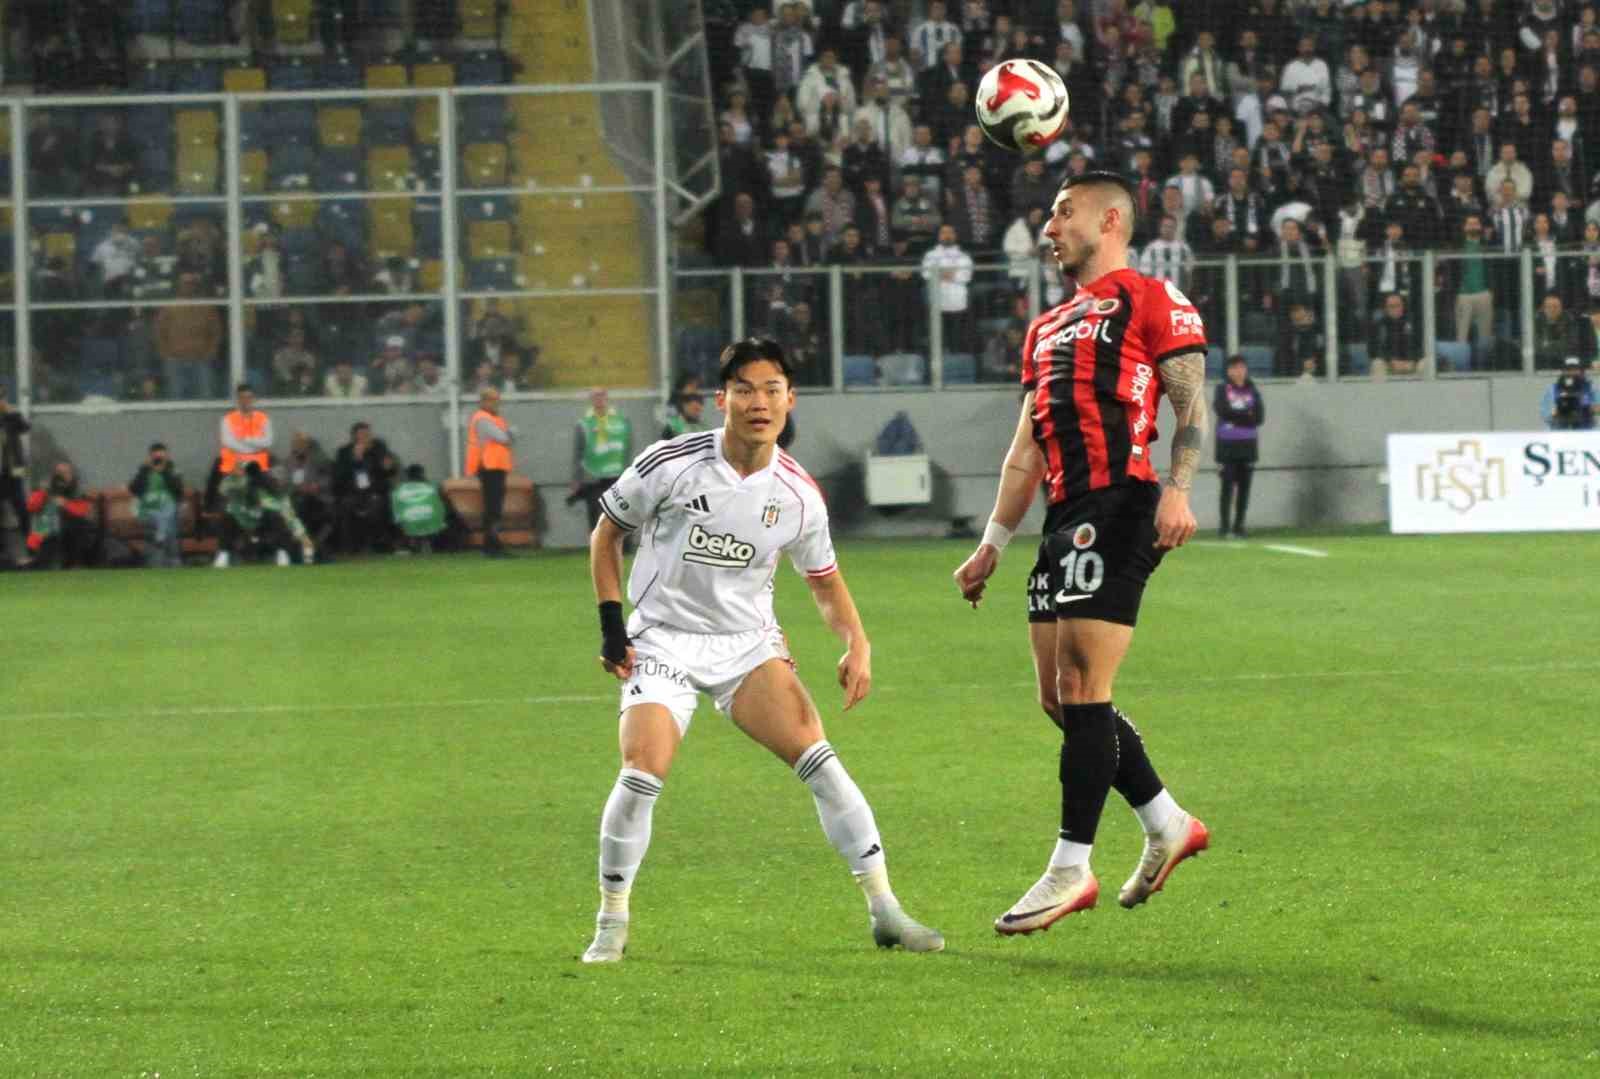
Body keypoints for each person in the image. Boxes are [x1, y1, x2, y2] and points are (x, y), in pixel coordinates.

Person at [580, 337, 943, 964]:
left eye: (772, 389)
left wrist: (856, 641)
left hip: (746, 645)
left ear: (790, 399)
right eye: (745, 389)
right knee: (642, 772)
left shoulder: (799, 495)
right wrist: (614, 627)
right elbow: (607, 533)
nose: (759, 402)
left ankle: (886, 910)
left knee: (823, 764)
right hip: (662, 638)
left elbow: (824, 581)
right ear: (722, 399)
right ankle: (611, 921)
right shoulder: (670, 464)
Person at [951, 171, 1211, 934]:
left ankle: (1070, 867)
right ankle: (1167, 820)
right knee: (1058, 698)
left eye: (1063, 213)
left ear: (1110, 219)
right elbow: (1024, 451)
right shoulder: (1045, 329)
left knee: (1081, 679)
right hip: (1063, 513)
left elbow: (1191, 399)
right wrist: (992, 543)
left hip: (1122, 501)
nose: (1049, 227)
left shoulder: (1153, 298)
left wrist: (1179, 487)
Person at [214, 462, 315, 568]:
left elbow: (291, 518)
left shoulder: (278, 498)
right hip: (243, 524)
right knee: (226, 518)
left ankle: (282, 552)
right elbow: (223, 489)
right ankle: (223, 553)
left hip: (263, 528)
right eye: (275, 480)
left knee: (277, 517)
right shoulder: (241, 487)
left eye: (280, 481)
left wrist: (303, 537)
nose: (278, 483)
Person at [1213, 356, 1264, 539]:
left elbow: (1259, 417)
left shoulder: (1252, 389)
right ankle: (1224, 527)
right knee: (1227, 488)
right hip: (1227, 446)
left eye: (1242, 367)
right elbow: (1222, 411)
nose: (1239, 371)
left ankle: (1239, 526)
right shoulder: (1222, 389)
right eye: (1235, 368)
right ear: (1228, 371)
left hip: (1248, 446)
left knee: (1244, 489)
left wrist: (1237, 417)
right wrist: (1245, 415)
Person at [571, 388, 632, 533]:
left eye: (601, 395)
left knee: (619, 512)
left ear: (607, 397)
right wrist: (576, 478)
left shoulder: (621, 420)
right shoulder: (584, 422)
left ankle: (622, 546)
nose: (599, 399)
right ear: (591, 399)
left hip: (617, 474)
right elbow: (577, 452)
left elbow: (628, 447)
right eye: (595, 396)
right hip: (592, 475)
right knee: (594, 512)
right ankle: (597, 546)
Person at [332, 422, 397, 555]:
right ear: (354, 437)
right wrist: (355, 459)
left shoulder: (379, 449)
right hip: (352, 492)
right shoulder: (344, 452)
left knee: (376, 507)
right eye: (361, 435)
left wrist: (388, 467)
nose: (365, 438)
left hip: (374, 492)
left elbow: (389, 472)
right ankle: (348, 547)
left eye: (367, 435)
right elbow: (339, 477)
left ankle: (374, 545)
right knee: (346, 506)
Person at [466, 386, 515, 557]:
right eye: (494, 400)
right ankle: (491, 547)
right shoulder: (483, 419)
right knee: (493, 509)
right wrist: (509, 435)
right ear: (485, 401)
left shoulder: (489, 418)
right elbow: (504, 438)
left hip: (495, 468)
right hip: (489, 467)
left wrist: (507, 436)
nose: (497, 404)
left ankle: (493, 545)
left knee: (494, 508)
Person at [24, 461, 99, 569]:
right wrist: (44, 493)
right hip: (46, 534)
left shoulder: (78, 491)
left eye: (66, 473)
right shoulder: (45, 490)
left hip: (71, 535)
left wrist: (65, 504)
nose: (62, 476)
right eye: (59, 473)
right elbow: (31, 507)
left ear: (72, 475)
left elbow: (84, 512)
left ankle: (74, 564)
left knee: (78, 527)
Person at [129, 442, 185, 568]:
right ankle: (173, 561)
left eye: (162, 457)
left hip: (169, 510)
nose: (159, 460)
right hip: (148, 512)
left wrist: (164, 472)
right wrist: (144, 470)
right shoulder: (144, 471)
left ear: (167, 457)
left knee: (168, 514)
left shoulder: (173, 470)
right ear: (150, 457)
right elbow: (134, 489)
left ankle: (161, 561)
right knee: (166, 522)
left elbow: (178, 492)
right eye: (156, 457)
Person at [390, 464, 451, 553]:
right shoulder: (433, 486)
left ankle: (409, 542)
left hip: (409, 525)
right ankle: (432, 542)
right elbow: (445, 506)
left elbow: (395, 514)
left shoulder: (398, 490)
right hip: (433, 524)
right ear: (422, 474)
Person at [1, 385, 29, 565]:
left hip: (12, 472)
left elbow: (25, 427)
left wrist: (10, 412)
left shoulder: (9, 418)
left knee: (19, 509)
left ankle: (25, 551)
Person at [219, 384, 273, 478]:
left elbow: (268, 442)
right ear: (238, 400)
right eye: (242, 398)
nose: (246, 401)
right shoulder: (227, 419)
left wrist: (244, 439)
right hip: (234, 463)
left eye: (249, 397)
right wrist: (255, 446)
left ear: (253, 399)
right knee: (217, 467)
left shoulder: (263, 418)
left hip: (257, 464)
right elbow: (227, 442)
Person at [1542, 356, 1596, 429]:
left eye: (1575, 369)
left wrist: (1585, 404)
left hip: (1584, 424)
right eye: (1568, 369)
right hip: (1561, 424)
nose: (1571, 372)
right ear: (1563, 371)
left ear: (1581, 371)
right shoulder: (1553, 388)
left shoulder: (1590, 387)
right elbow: (1546, 411)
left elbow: (1595, 407)